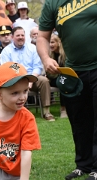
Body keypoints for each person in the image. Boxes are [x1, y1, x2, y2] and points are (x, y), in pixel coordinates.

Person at [37, 1, 97, 180]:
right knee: (78, 120)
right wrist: (46, 59)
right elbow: (42, 37)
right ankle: (83, 165)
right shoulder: (53, 3)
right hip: (72, 71)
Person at [1, 26, 55, 121]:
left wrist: (31, 80)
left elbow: (37, 67)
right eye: (18, 35)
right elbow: (7, 68)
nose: (21, 37)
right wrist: (21, 80)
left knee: (44, 81)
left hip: (32, 78)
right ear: (12, 37)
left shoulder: (33, 48)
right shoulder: (6, 51)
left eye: (22, 35)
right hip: (15, 80)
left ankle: (47, 112)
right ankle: (15, 112)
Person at [48, 32, 67, 118]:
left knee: (64, 81)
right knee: (62, 82)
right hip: (53, 79)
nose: (50, 44)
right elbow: (48, 73)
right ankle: (63, 109)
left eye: (52, 42)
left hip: (65, 77)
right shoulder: (48, 55)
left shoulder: (65, 54)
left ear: (58, 42)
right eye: (49, 42)